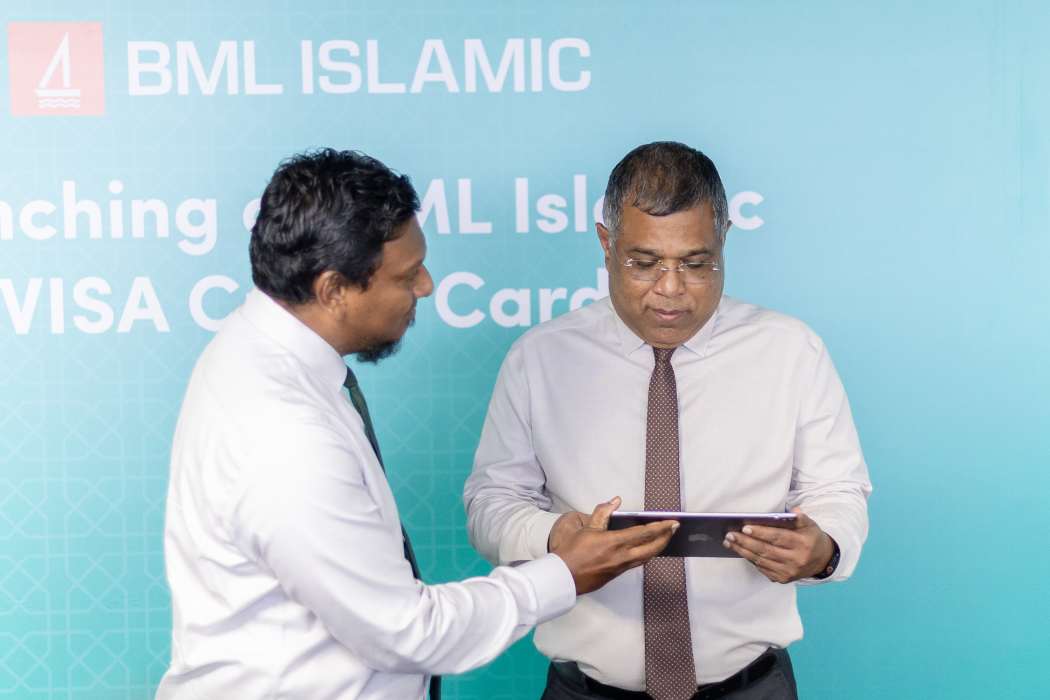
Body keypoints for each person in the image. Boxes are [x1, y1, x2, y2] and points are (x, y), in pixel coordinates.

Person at [156, 148, 678, 700]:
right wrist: (564, 574)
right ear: (333, 290)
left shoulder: (255, 354)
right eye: (406, 275)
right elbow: (408, 632)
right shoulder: (283, 429)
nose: (426, 285)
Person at [464, 141, 872, 700]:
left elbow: (838, 489)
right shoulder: (540, 359)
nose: (671, 289)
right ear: (607, 244)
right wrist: (555, 536)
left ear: (724, 238)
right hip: (586, 691)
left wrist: (823, 550)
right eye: (644, 263)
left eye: (696, 264)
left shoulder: (790, 351)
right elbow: (491, 501)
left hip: (751, 688)